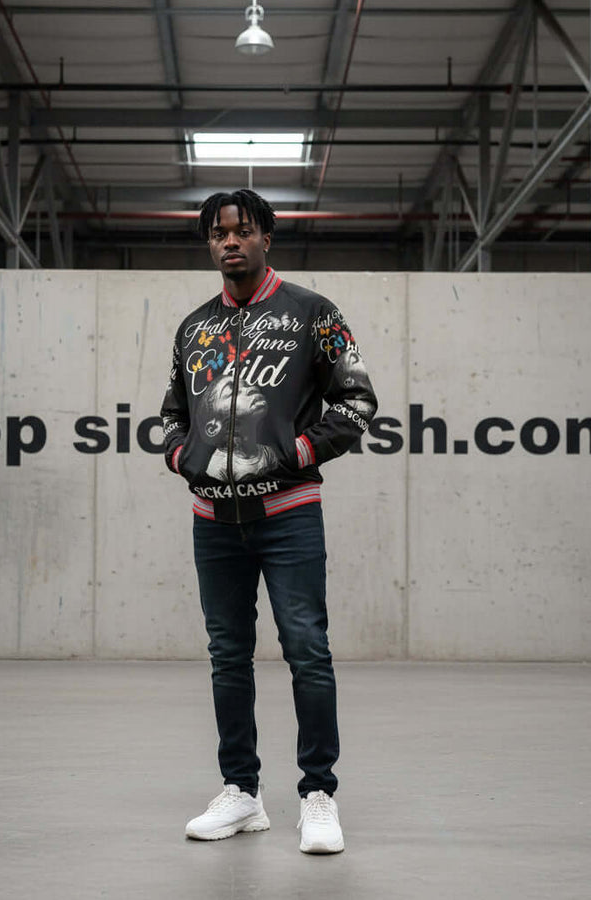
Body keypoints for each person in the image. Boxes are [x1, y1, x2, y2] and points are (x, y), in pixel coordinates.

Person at [160, 189, 377, 855]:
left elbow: (357, 397)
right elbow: (173, 410)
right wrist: (179, 454)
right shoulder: (194, 327)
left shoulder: (315, 314)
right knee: (227, 656)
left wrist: (299, 453)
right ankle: (242, 794)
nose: (230, 242)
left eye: (243, 231)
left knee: (306, 650)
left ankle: (318, 795)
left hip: (288, 517)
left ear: (265, 239)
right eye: (219, 234)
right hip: (213, 520)